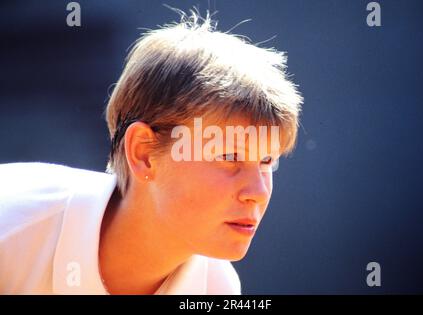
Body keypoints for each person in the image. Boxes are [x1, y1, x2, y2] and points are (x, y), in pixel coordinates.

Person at [0, 9, 302, 294]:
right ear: (143, 153)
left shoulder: (216, 288)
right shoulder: (9, 231)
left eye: (267, 161)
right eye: (229, 157)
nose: (259, 192)